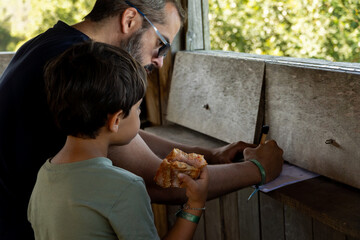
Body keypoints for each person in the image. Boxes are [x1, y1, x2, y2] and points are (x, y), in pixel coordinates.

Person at [0, 0, 284, 239]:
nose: (160, 61)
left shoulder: (55, 50)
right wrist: (258, 169)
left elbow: (118, 133)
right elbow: (159, 179)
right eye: (161, 45)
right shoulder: (71, 60)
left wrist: (209, 154)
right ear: (130, 19)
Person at [28, 40, 208, 240]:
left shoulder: (43, 179)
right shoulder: (125, 188)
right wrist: (194, 205)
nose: (139, 113)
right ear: (116, 120)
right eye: (138, 108)